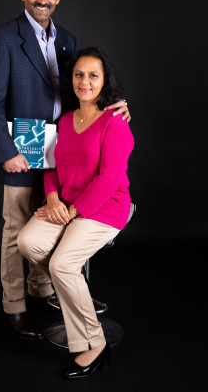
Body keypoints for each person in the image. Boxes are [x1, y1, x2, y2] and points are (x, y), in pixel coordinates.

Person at [0, 0, 130, 341]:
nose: (42, 0)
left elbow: (84, 84)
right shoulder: (4, 38)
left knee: (50, 222)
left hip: (62, 150)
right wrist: (5, 152)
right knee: (17, 231)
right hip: (21, 152)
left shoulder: (68, 39)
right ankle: (14, 307)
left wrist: (117, 106)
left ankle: (42, 288)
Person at [17, 47, 134, 378]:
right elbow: (52, 168)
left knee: (62, 263)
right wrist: (52, 198)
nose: (85, 81)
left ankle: (95, 346)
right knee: (27, 241)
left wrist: (72, 211)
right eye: (79, 74)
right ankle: (70, 290)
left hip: (105, 207)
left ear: (104, 81)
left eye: (93, 75)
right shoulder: (65, 121)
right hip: (65, 205)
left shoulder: (115, 122)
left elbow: (110, 178)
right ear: (71, 79)